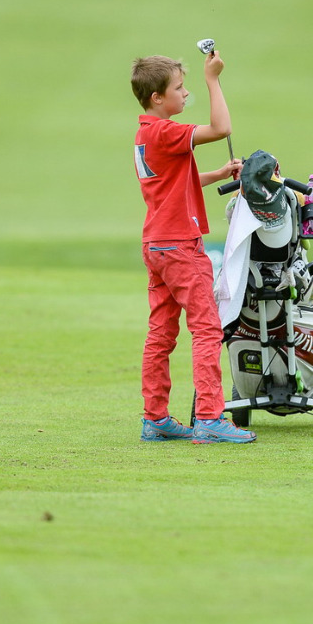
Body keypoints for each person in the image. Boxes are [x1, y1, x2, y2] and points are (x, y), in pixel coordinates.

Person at [130, 49, 254, 444]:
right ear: (157, 98)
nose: (185, 94)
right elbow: (220, 128)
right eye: (179, 89)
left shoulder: (145, 134)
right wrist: (212, 79)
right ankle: (210, 418)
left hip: (156, 244)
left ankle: (155, 418)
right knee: (206, 328)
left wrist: (218, 173)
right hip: (180, 245)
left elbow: (174, 181)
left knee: (161, 334)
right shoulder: (166, 132)